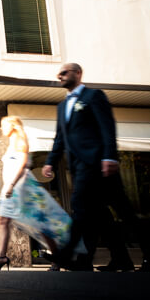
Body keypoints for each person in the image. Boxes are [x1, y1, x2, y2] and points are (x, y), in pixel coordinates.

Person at [42, 63, 118, 271]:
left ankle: (64, 256)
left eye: (64, 72)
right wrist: (50, 161)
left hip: (94, 162)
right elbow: (60, 137)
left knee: (79, 206)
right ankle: (113, 258)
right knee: (97, 214)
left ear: (78, 73)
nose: (60, 76)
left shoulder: (94, 96)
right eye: (59, 74)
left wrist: (109, 157)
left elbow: (107, 127)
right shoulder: (61, 106)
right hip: (75, 167)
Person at [0, 116, 29, 271]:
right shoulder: (11, 144)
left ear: (13, 126)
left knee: (36, 222)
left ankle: (57, 257)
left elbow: (22, 165)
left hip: (17, 187)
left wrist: (12, 185)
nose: (2, 129)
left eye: (3, 125)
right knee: (2, 221)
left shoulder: (21, 142)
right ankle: (2, 257)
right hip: (8, 187)